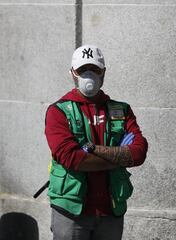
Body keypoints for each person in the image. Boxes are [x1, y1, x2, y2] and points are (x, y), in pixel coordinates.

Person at [44, 45, 148, 240]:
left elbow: (139, 152)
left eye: (95, 69)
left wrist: (94, 151)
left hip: (111, 209)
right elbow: (72, 158)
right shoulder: (57, 111)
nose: (88, 74)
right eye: (82, 69)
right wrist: (120, 156)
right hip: (71, 211)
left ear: (104, 72)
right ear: (73, 73)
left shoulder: (121, 110)